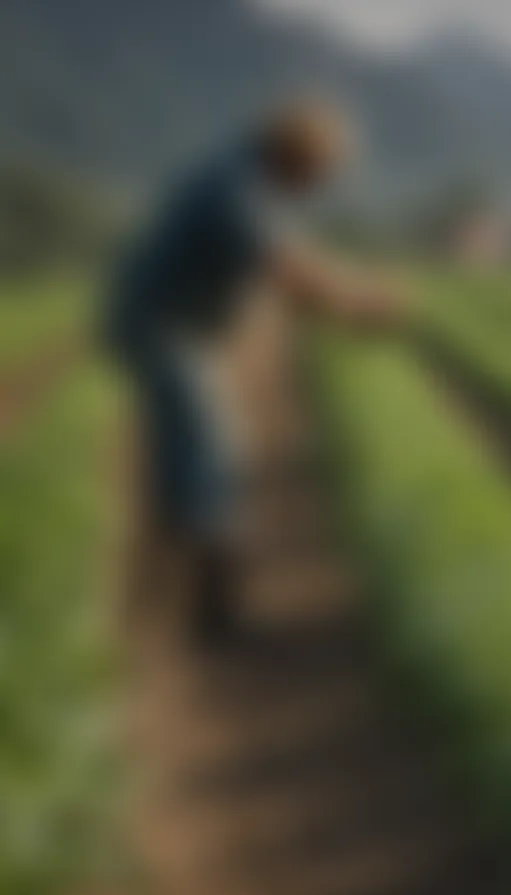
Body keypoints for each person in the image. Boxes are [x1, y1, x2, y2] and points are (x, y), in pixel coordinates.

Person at [108, 98, 406, 646]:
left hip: (178, 324)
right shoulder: (236, 191)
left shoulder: (250, 178)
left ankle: (159, 591)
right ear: (298, 156)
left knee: (197, 449)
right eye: (324, 171)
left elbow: (294, 254)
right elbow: (287, 271)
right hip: (162, 326)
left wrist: (352, 289)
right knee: (207, 447)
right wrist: (362, 305)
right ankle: (210, 608)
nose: (323, 185)